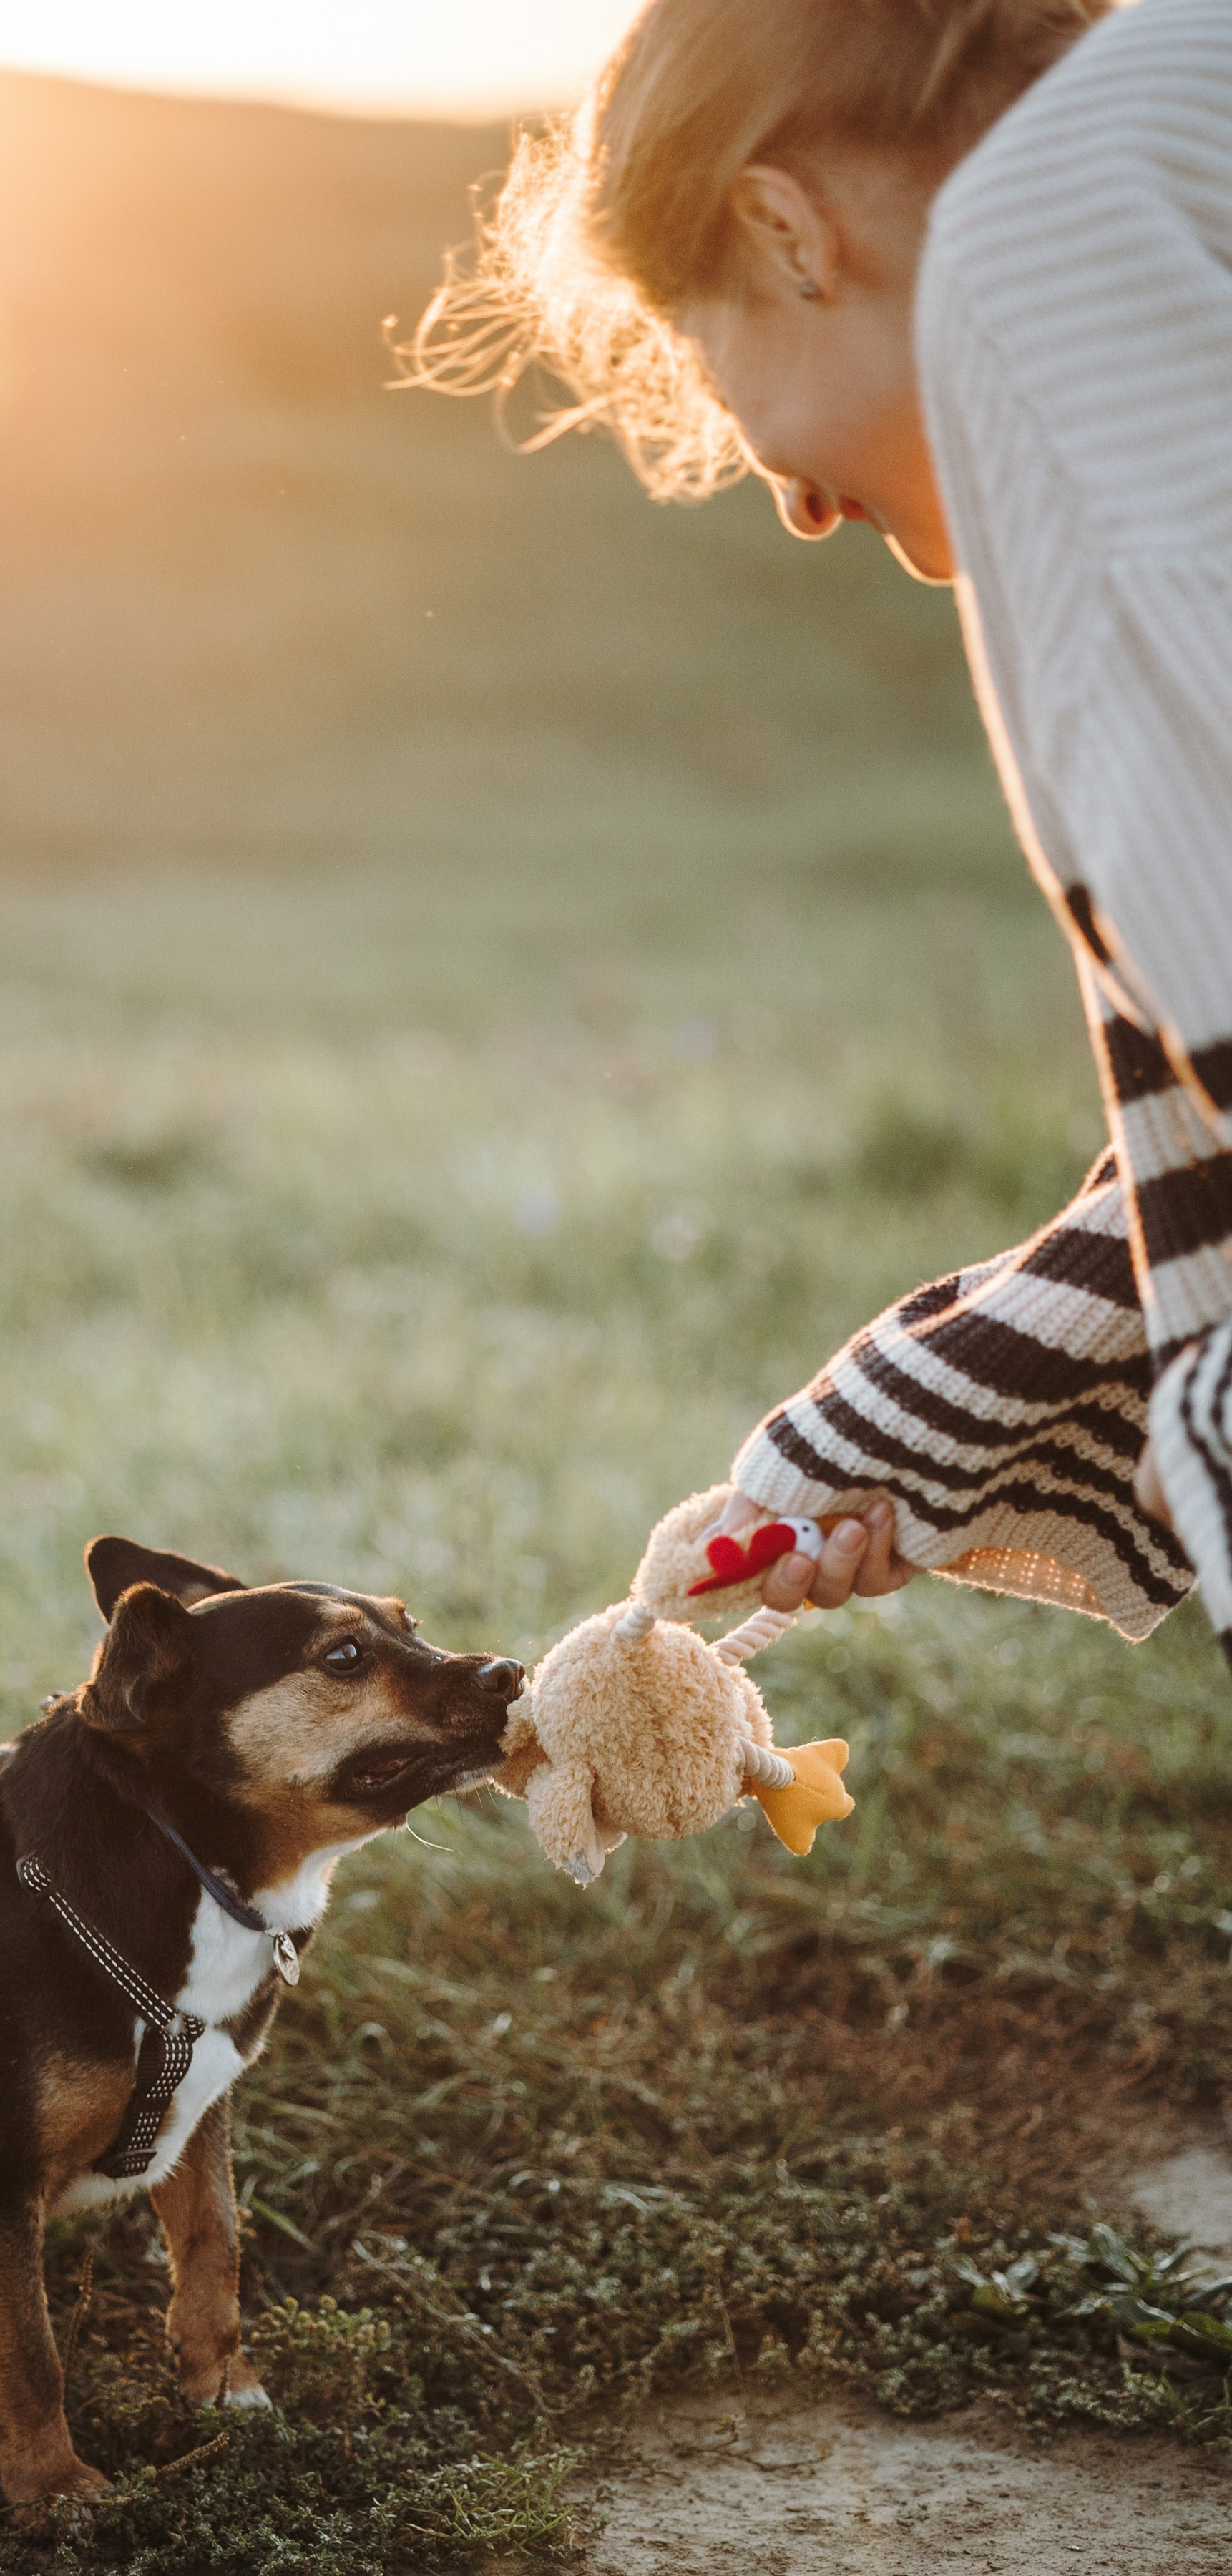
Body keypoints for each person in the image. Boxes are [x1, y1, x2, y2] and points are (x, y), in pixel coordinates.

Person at [412, 0, 1232, 1663]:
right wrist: (906, 1422)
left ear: (787, 229)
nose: (788, 501)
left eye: (714, 374)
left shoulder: (1030, 257)